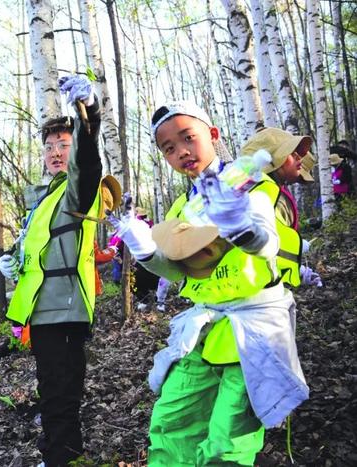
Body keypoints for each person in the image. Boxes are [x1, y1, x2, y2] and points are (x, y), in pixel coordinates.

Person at [113, 101, 308, 466]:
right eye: (169, 148)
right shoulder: (179, 209)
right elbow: (179, 272)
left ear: (213, 135)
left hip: (254, 332)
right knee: (171, 422)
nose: (181, 152)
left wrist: (242, 228)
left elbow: (268, 243)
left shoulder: (250, 183)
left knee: (228, 442)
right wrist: (143, 249)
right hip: (204, 332)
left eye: (188, 138)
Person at [0, 74, 102, 467]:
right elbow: (37, 252)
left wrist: (89, 113)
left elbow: (88, 166)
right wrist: (14, 262)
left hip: (66, 310)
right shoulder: (42, 199)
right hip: (41, 313)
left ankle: (62, 457)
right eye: (49, 146)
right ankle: (61, 453)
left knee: (60, 392)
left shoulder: (76, 189)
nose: (56, 152)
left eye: (64, 145)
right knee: (53, 390)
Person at [240, 128, 322, 288]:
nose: (299, 158)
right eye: (291, 153)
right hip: (263, 290)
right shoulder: (270, 194)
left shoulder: (256, 191)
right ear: (271, 161)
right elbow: (269, 248)